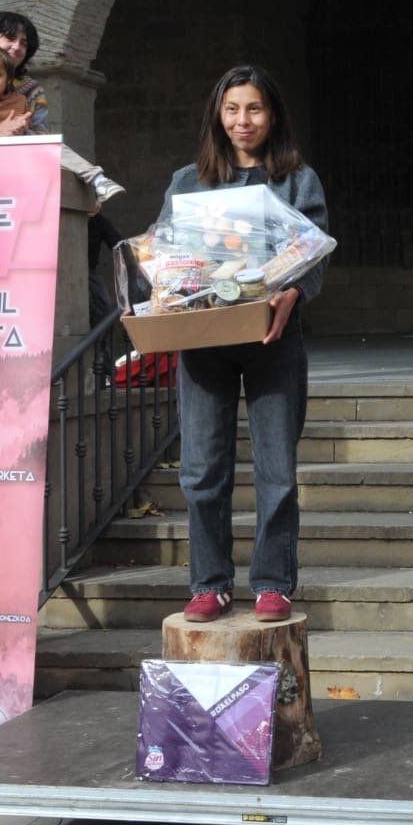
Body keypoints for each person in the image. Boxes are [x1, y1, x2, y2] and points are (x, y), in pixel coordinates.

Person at [167, 65, 329, 623]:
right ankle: (209, 583)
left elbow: (315, 254)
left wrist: (293, 293)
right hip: (204, 344)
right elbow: (167, 259)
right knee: (201, 471)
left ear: (272, 114)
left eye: (254, 109)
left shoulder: (296, 181)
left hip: (273, 341)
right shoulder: (188, 183)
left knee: (277, 469)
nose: (243, 121)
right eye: (233, 109)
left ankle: (273, 582)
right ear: (219, 114)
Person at [0, 10, 124, 201]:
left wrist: (17, 132)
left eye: (23, 42)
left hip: (16, 169)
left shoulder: (31, 90)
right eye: (10, 38)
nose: (17, 46)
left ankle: (98, 181)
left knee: (52, 148)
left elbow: (41, 138)